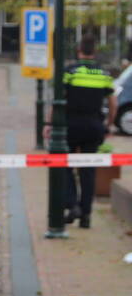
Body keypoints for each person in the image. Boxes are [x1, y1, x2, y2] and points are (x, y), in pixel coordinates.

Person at [45, 36, 116, 229]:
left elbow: (58, 100)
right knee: (88, 170)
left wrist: (49, 123)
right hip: (94, 126)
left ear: (79, 51)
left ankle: (72, 203)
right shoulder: (104, 74)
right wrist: (108, 125)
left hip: (71, 125)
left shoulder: (70, 72)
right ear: (95, 52)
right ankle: (86, 216)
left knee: (64, 164)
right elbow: (112, 103)